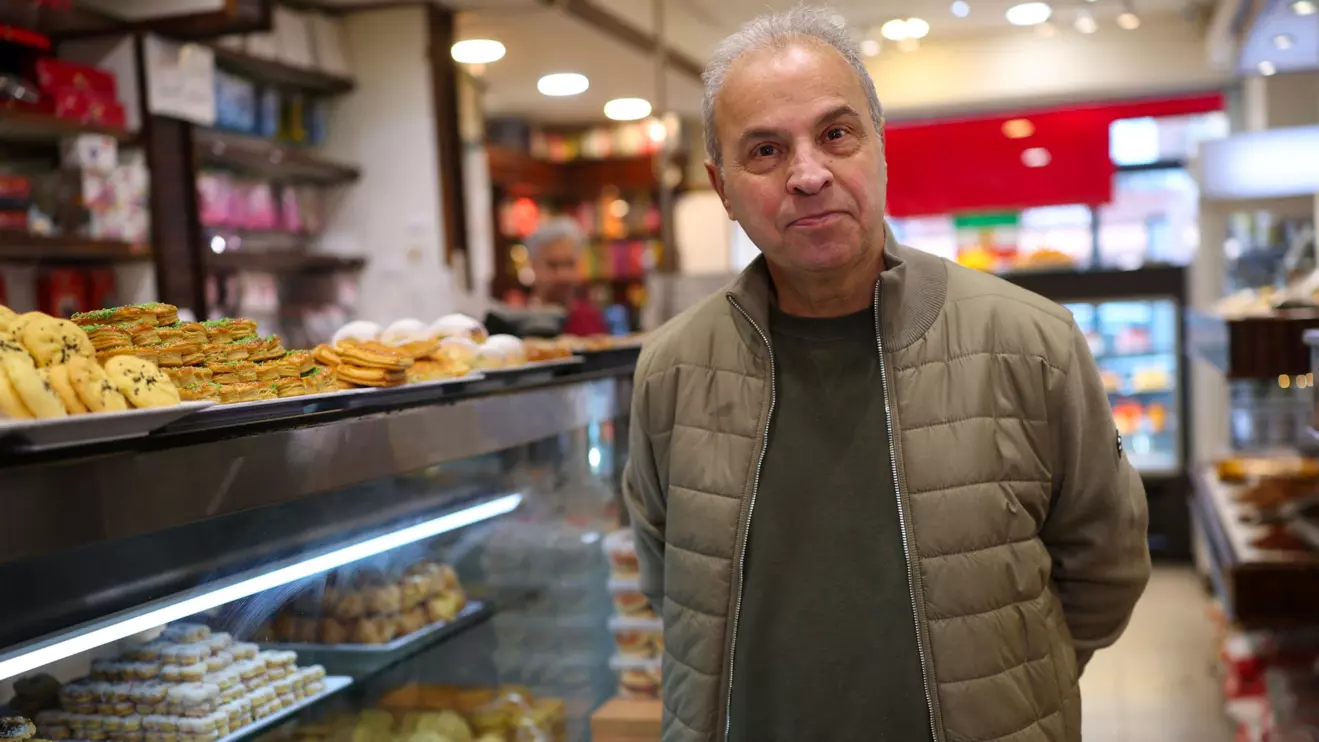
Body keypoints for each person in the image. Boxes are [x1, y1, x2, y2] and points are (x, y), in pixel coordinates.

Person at [622, 7, 1150, 742]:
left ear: (878, 146)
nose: (808, 175)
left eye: (836, 134)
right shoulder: (671, 370)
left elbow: (1107, 565)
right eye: (765, 151)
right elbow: (669, 579)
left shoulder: (1029, 342)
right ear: (721, 186)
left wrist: (1013, 685)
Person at [525, 217, 608, 337]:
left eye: (570, 264)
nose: (563, 275)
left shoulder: (591, 319)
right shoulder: (517, 320)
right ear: (533, 265)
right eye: (553, 265)